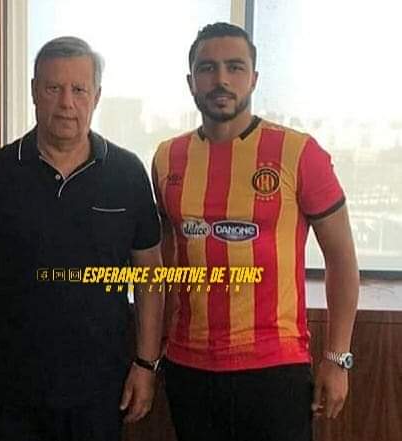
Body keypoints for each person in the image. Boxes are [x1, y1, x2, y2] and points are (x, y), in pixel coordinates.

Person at [0, 36, 164, 441]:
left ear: (96, 96)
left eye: (79, 90)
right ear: (33, 91)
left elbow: (150, 277)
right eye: (53, 88)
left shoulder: (128, 174)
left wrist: (146, 364)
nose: (66, 103)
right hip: (8, 386)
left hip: (101, 388)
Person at [152, 22, 359, 441]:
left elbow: (341, 258)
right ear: (191, 81)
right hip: (188, 369)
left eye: (235, 67)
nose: (221, 79)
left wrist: (337, 358)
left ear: (254, 78)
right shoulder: (167, 157)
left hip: (274, 370)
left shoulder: (299, 152)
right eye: (207, 68)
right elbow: (165, 257)